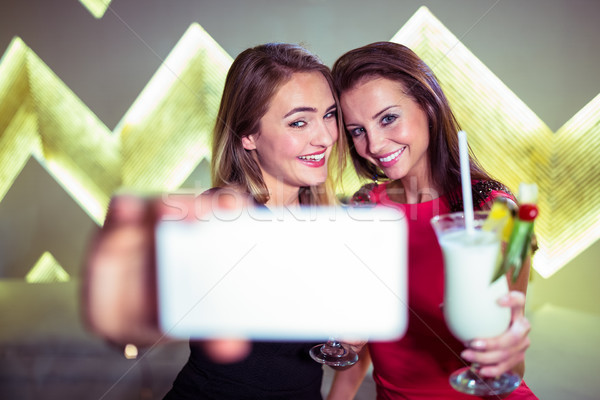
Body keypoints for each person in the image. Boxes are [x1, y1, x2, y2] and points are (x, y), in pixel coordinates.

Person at [84, 42, 347, 399]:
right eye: (299, 122)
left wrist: (348, 343)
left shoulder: (332, 219)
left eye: (329, 115)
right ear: (248, 135)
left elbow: (330, 351)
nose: (326, 137)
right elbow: (132, 324)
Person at [326, 42, 538, 399]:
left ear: (427, 104)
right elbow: (359, 344)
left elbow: (511, 367)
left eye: (388, 118)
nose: (374, 145)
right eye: (357, 131)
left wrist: (506, 353)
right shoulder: (364, 205)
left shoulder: (502, 212)